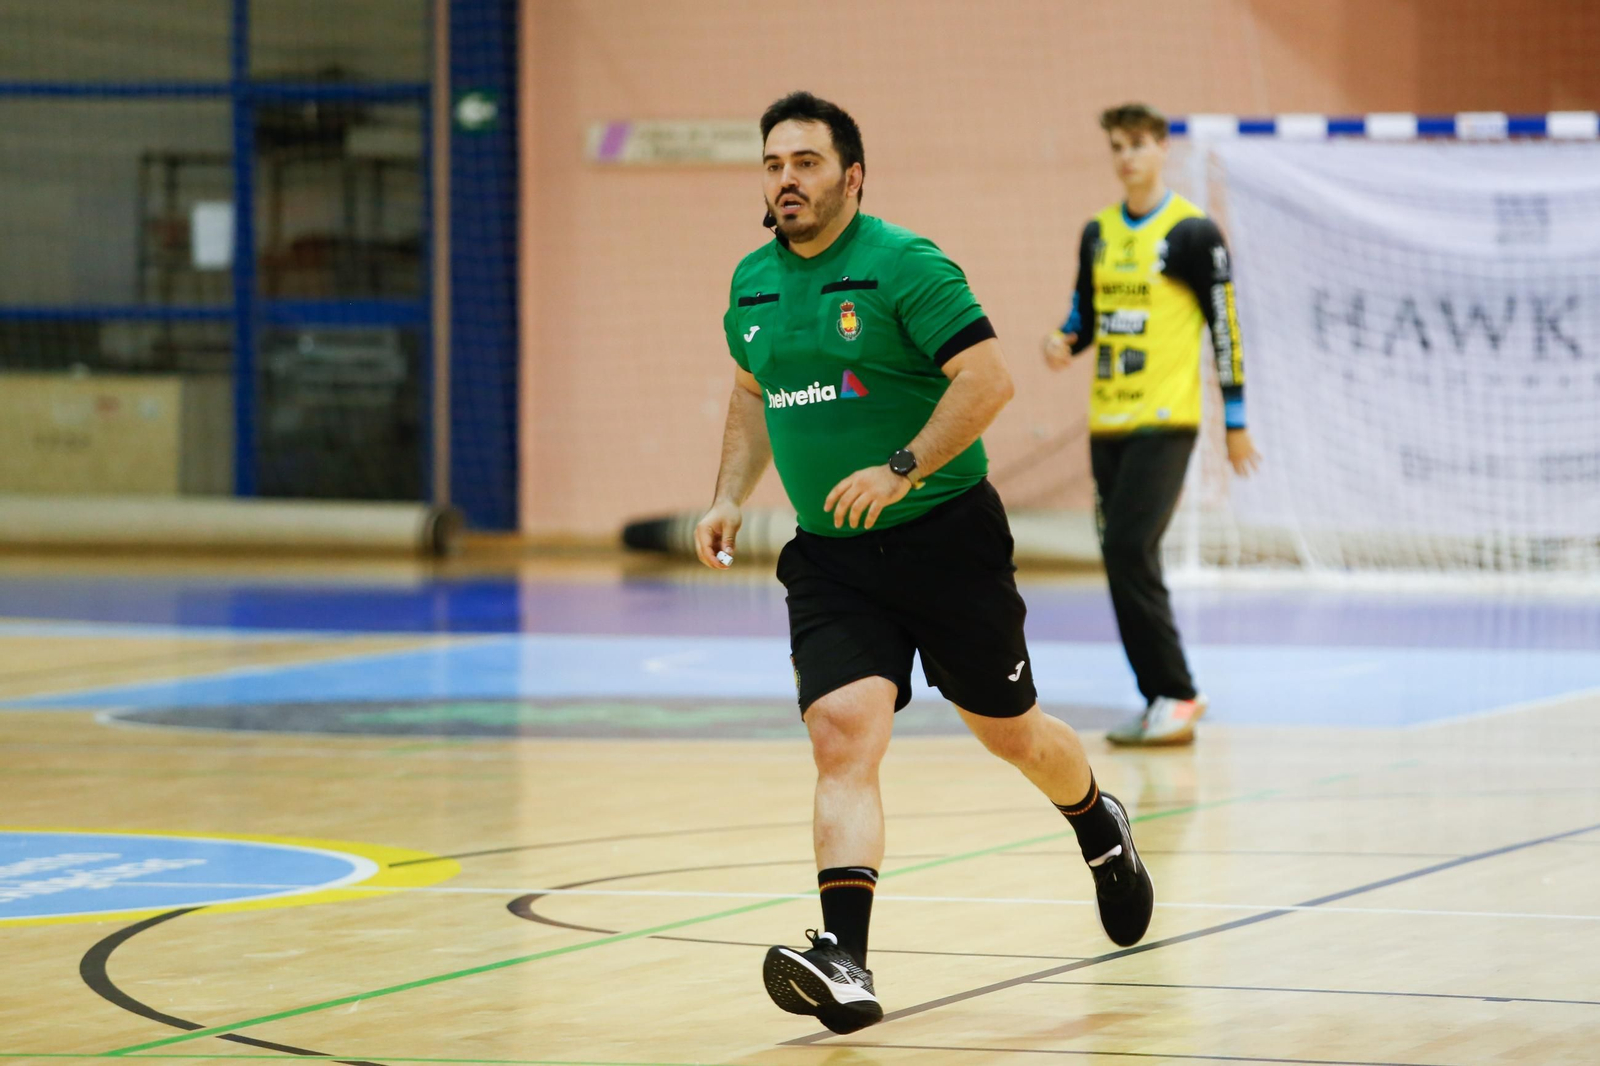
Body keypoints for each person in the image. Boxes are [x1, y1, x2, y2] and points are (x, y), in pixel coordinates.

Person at [695, 91, 1153, 1036]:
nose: (787, 180)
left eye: (807, 163)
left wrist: (902, 468)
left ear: (851, 177)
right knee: (841, 731)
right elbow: (752, 396)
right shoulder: (750, 283)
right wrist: (730, 493)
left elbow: (990, 380)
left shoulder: (906, 265)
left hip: (946, 540)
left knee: (1011, 731)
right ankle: (847, 961)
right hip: (829, 555)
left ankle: (1097, 821)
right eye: (774, 164)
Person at [1042, 103, 1262, 747]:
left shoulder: (1194, 234)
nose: (1127, 157)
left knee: (1130, 549)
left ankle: (1180, 692)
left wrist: (1236, 424)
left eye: (1138, 144)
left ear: (1163, 148)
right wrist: (1062, 339)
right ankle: (1160, 697)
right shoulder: (1099, 231)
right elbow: (1086, 314)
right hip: (1106, 422)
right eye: (1116, 146)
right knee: (1119, 559)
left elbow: (1226, 330)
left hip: (1166, 422)